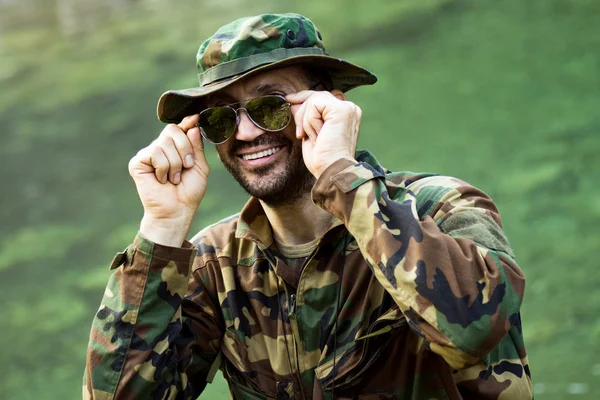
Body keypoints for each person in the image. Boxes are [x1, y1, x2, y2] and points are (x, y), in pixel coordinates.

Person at [84, 13, 533, 400]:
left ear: (331, 105)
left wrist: (339, 169)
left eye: (270, 105)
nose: (243, 134)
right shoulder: (215, 264)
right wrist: (163, 227)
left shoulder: (441, 207)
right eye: (221, 117)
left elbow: (472, 331)